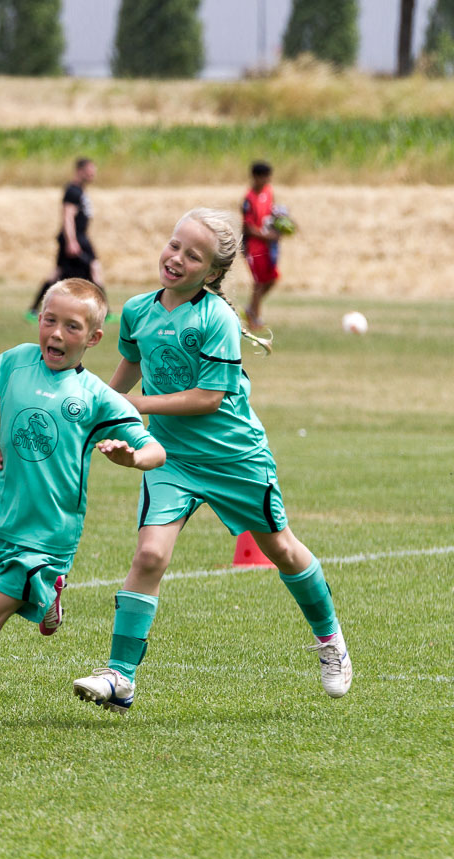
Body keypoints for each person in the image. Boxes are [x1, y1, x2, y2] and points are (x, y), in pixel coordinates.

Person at [72, 208, 352, 715]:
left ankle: (329, 637)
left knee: (282, 549)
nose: (176, 258)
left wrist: (136, 406)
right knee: (149, 557)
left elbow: (208, 399)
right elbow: (130, 366)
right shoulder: (137, 310)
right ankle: (120, 676)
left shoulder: (216, 318)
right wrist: (100, 412)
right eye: (174, 245)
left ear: (213, 272)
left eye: (193, 256)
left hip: (234, 457)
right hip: (172, 458)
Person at [0, 278, 166, 746]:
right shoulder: (18, 361)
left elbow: (155, 450)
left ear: (93, 338)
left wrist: (131, 457)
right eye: (49, 320)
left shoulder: (97, 396)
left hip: (47, 540)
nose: (56, 333)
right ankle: (46, 599)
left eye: (72, 326)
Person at [28, 157, 105, 316]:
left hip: (80, 237)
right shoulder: (72, 191)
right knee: (90, 268)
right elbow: (67, 217)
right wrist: (72, 241)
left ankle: (34, 308)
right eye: (90, 171)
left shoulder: (80, 191)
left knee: (67, 271)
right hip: (76, 238)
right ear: (79, 171)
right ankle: (104, 310)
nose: (93, 174)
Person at [241, 160, 281, 329]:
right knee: (259, 282)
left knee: (272, 279)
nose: (267, 180)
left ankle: (251, 309)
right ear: (256, 177)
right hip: (254, 247)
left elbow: (272, 212)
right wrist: (268, 236)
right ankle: (254, 318)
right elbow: (248, 228)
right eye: (264, 177)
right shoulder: (248, 199)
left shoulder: (268, 192)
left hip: (268, 247)